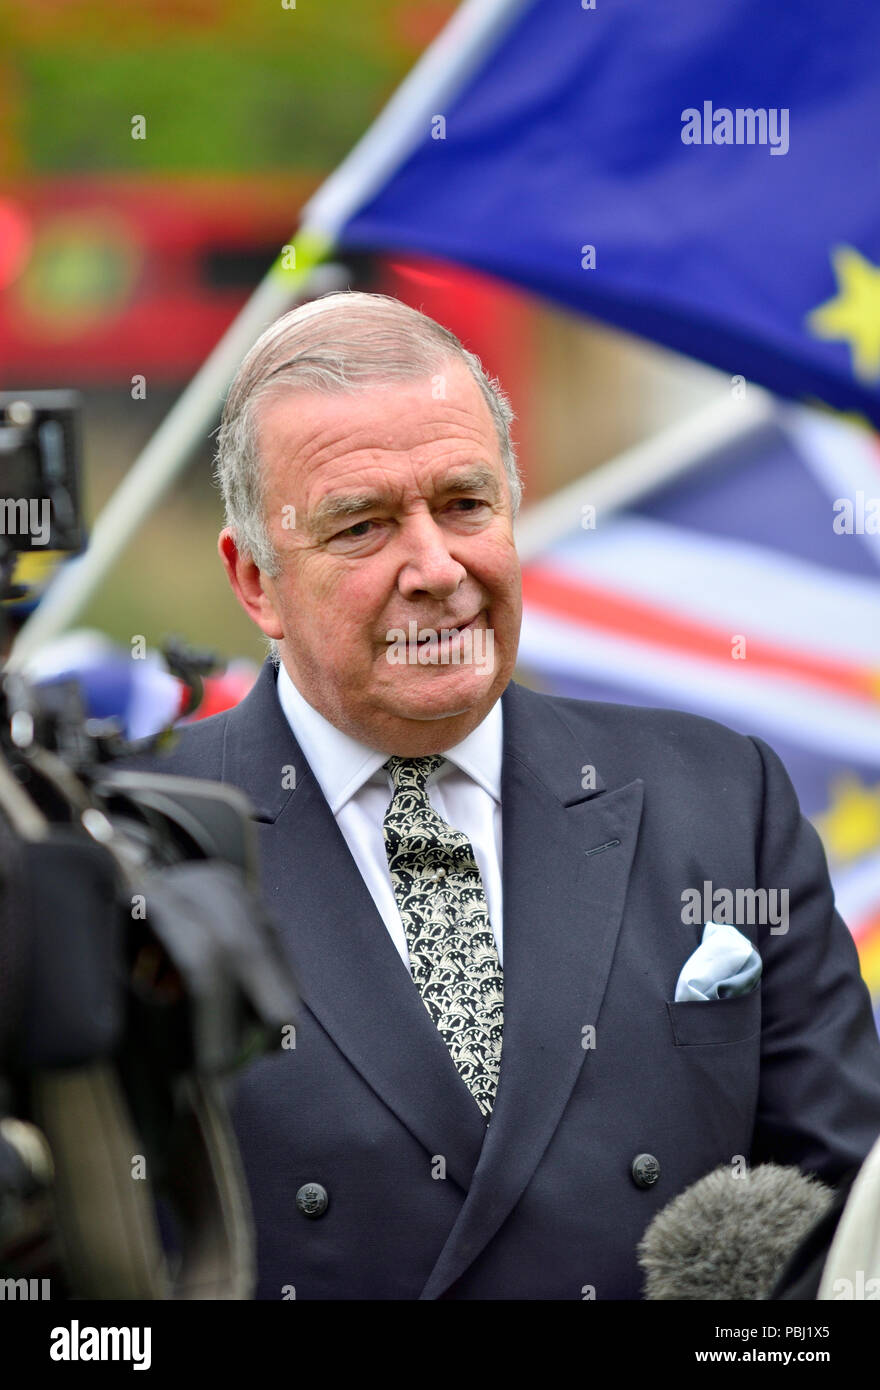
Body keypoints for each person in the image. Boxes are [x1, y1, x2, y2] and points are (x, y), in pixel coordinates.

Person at [129, 290, 880, 1299]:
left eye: (463, 504)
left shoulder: (721, 798)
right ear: (254, 580)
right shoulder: (129, 836)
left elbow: (839, 1220)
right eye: (362, 525)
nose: (435, 567)